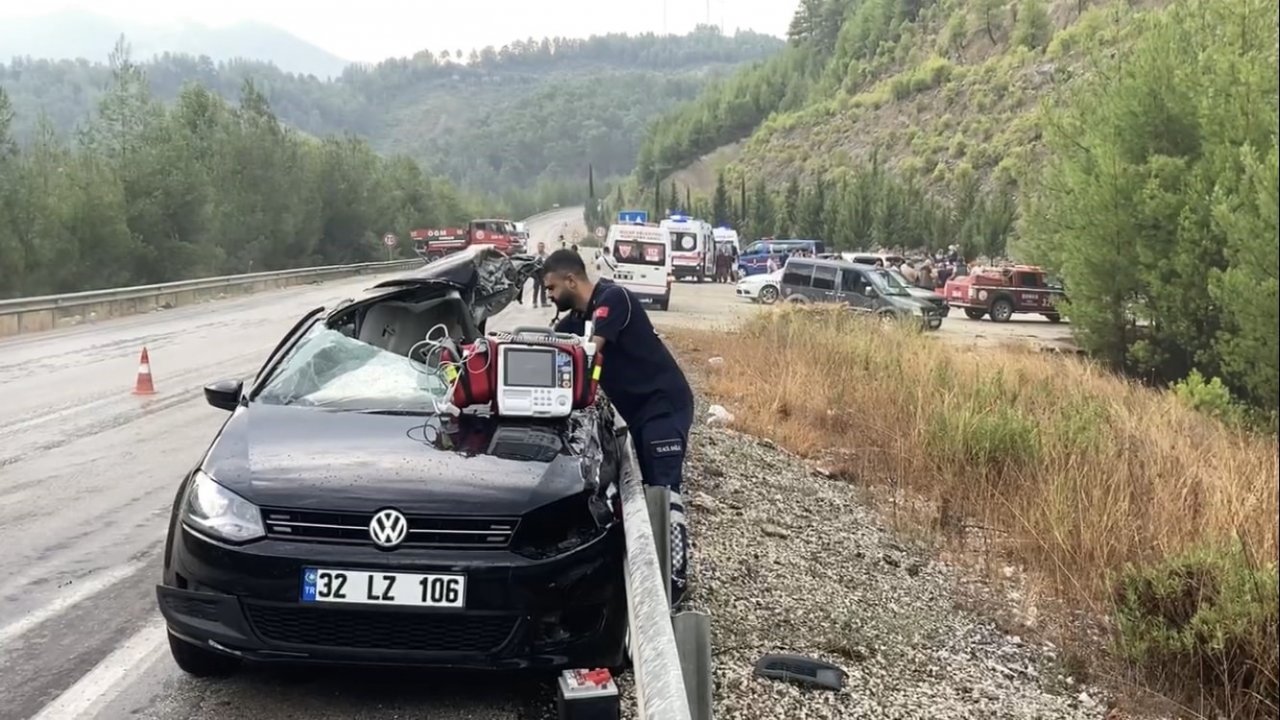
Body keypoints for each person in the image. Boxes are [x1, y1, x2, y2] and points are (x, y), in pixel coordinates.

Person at [541, 249, 695, 605]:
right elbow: (548, 344)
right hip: (641, 413)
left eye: (550, 288)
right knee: (649, 488)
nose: (548, 296)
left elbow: (590, 353)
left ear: (570, 280)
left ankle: (676, 578)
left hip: (663, 408)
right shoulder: (580, 317)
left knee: (664, 490)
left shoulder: (613, 299)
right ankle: (651, 569)